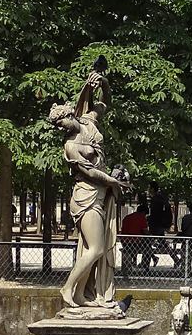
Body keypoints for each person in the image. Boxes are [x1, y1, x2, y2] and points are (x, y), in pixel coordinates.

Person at [49, 68, 129, 309]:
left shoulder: (89, 121)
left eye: (60, 121)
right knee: (96, 248)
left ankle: (82, 294)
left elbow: (106, 102)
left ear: (70, 114)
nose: (60, 127)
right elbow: (90, 172)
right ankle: (67, 288)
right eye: (56, 126)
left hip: (99, 196)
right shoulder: (71, 147)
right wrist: (112, 181)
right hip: (86, 197)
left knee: (95, 249)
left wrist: (103, 82)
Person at [120, 204, 149, 271]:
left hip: (125, 241)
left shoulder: (127, 217)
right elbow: (145, 231)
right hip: (136, 242)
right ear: (144, 212)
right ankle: (145, 266)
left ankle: (133, 262)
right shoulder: (141, 217)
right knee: (148, 248)